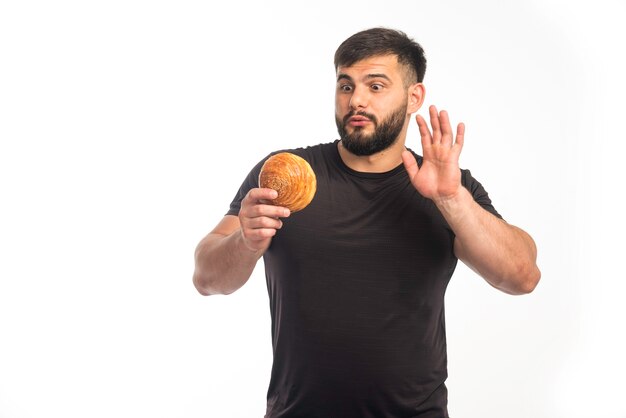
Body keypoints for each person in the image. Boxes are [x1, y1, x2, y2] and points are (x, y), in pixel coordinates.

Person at [193, 27, 540, 418]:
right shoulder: (285, 175)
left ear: (414, 98)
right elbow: (206, 278)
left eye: (375, 86)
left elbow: (521, 276)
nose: (356, 100)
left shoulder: (447, 187)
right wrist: (245, 242)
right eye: (345, 86)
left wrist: (451, 199)